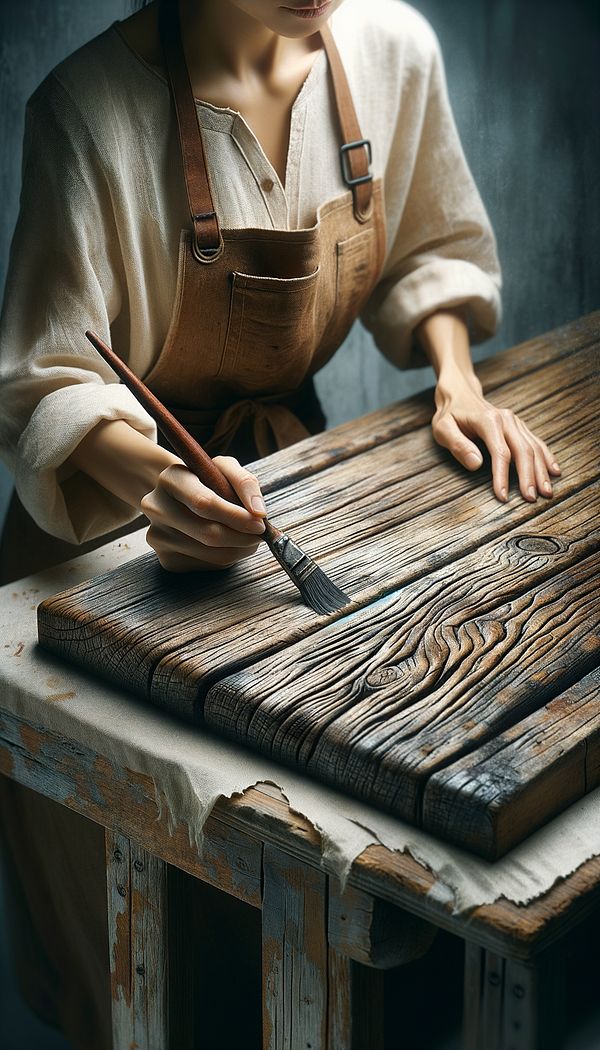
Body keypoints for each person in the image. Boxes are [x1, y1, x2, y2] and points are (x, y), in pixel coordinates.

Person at [0, 0, 561, 1046]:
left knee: (314, 919)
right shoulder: (86, 112)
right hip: (100, 547)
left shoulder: (391, 48)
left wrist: (455, 378)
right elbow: (47, 380)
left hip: (283, 496)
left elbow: (434, 242)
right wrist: (157, 481)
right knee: (150, 966)